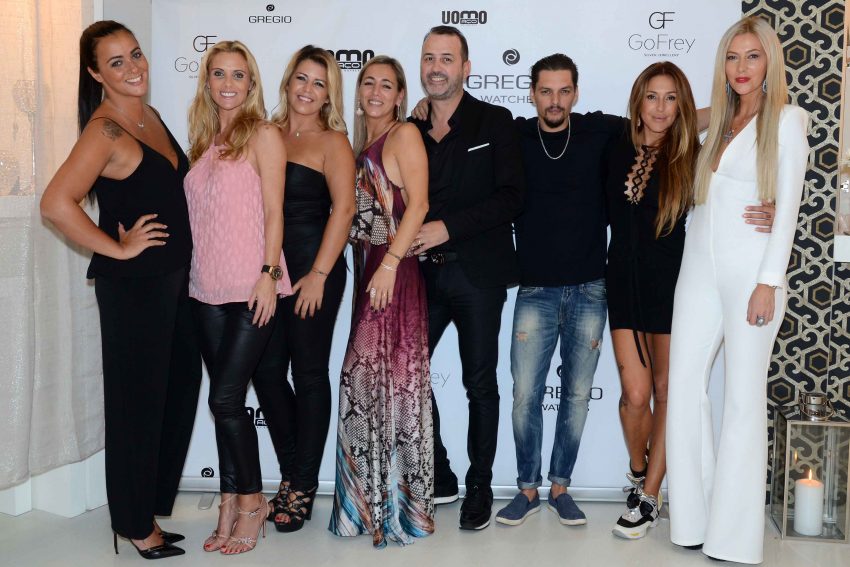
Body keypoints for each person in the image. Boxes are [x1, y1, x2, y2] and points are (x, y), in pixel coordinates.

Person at [40, 20, 201, 559]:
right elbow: (55, 203)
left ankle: (145, 506)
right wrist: (118, 247)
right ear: (95, 74)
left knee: (177, 391)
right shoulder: (105, 131)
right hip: (135, 289)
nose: (133, 68)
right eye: (116, 62)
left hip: (174, 282)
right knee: (137, 404)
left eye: (135, 54)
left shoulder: (148, 116)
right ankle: (133, 523)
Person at [666, 16, 809, 564]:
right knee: (684, 388)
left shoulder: (787, 119)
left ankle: (735, 538)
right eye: (732, 56)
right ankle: (694, 520)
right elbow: (669, 122)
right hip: (696, 268)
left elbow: (788, 207)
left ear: (770, 61)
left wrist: (768, 282)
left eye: (752, 56)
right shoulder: (717, 124)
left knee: (743, 399)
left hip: (752, 272)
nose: (741, 67)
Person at [410, 25, 525, 531]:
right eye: (429, 58)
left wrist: (448, 228)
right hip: (422, 275)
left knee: (480, 383)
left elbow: (512, 197)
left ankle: (480, 484)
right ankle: (440, 472)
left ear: (466, 67)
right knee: (410, 373)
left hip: (478, 275)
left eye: (447, 58)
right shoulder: (410, 128)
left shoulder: (494, 121)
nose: (436, 67)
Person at [184, 40, 291, 555]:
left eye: (238, 75)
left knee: (224, 399)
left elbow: (275, 211)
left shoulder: (264, 134)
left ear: (251, 84)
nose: (228, 84)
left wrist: (269, 274)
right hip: (204, 289)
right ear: (207, 82)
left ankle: (252, 502)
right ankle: (229, 500)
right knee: (226, 403)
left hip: (252, 287)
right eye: (219, 74)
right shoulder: (202, 140)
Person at [329, 56, 431, 548]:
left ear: (400, 96)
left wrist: (390, 263)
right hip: (371, 271)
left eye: (386, 85)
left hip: (394, 273)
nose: (375, 91)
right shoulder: (357, 145)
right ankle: (368, 509)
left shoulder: (403, 134)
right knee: (369, 389)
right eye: (368, 82)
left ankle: (398, 512)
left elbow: (420, 203)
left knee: (383, 387)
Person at [254, 45, 355, 533]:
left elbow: (345, 210)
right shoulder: (265, 133)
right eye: (301, 78)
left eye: (319, 83)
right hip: (268, 272)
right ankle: (294, 471)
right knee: (266, 371)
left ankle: (300, 485)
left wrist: (317, 274)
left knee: (310, 374)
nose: (308, 90)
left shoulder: (332, 141)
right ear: (287, 82)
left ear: (329, 93)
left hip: (316, 269)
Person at [604, 62, 699, 539]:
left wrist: (766, 208)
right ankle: (640, 470)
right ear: (637, 101)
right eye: (652, 97)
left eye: (671, 98)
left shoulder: (692, 154)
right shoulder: (613, 144)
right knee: (635, 396)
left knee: (666, 391)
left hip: (673, 286)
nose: (660, 108)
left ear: (682, 106)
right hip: (622, 282)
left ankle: (649, 496)